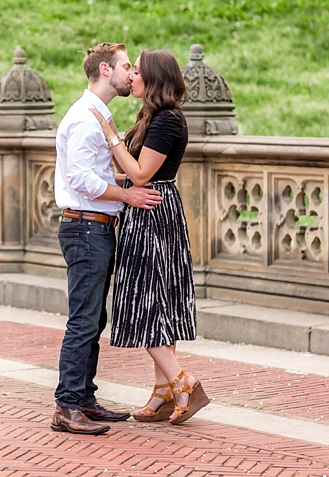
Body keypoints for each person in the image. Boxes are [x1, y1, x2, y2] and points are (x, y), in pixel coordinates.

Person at [89, 48, 210, 425]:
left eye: (137, 71)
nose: (131, 77)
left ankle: (181, 380)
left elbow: (142, 174)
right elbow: (136, 175)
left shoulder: (167, 121)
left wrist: (110, 135)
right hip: (151, 207)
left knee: (146, 303)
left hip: (152, 214)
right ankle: (162, 392)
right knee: (157, 302)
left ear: (154, 79)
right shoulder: (154, 117)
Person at [51, 42, 164, 435]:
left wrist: (123, 182)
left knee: (94, 317)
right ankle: (67, 405)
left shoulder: (98, 114)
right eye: (125, 66)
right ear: (104, 70)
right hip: (85, 226)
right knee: (84, 318)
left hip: (94, 225)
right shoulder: (85, 118)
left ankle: (83, 398)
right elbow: (80, 180)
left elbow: (91, 173)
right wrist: (129, 193)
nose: (131, 74)